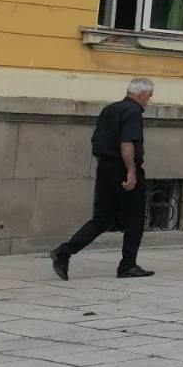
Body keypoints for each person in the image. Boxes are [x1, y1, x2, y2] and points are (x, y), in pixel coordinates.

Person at [51, 77, 156, 279]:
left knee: (102, 219)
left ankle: (64, 251)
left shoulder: (109, 109)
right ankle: (128, 265)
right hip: (123, 168)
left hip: (105, 167)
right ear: (142, 94)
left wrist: (105, 167)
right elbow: (127, 144)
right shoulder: (133, 112)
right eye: (149, 96)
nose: (148, 101)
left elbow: (95, 141)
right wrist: (131, 173)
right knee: (135, 218)